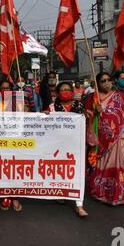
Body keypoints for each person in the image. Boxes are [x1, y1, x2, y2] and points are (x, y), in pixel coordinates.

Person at [86, 73, 124, 208]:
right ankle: (101, 194)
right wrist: (94, 111)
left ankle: (122, 196)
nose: (107, 83)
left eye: (109, 80)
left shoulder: (119, 96)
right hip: (102, 141)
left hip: (120, 137)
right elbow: (86, 117)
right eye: (103, 81)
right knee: (103, 167)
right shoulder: (93, 98)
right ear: (97, 83)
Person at [48, 82, 88, 217]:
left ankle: (79, 205)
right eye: (62, 90)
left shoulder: (80, 106)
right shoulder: (53, 107)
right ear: (58, 93)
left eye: (67, 89)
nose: (65, 92)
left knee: (78, 172)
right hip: (58, 145)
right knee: (60, 170)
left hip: (76, 144)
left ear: (72, 91)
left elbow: (86, 123)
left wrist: (91, 115)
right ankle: (61, 191)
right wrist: (45, 116)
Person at [0, 80, 24, 212]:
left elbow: (28, 117)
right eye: (2, 88)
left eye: (7, 88)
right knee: (3, 169)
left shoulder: (18, 102)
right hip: (0, 139)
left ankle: (15, 196)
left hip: (16, 140)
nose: (5, 90)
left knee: (15, 169)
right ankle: (6, 195)